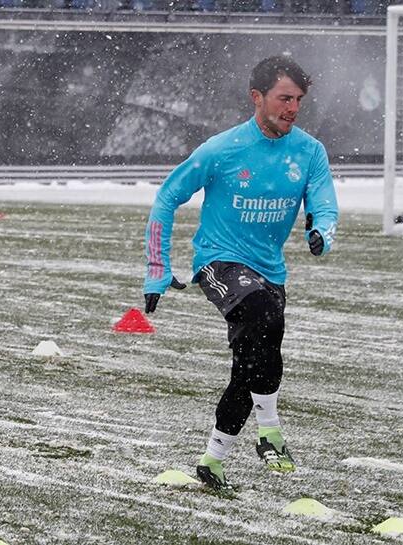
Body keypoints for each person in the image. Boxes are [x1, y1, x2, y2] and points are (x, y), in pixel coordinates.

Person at [142, 56, 338, 492]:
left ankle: (213, 460)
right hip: (219, 262)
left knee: (249, 367)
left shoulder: (309, 151)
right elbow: (167, 198)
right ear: (257, 97)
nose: (293, 108)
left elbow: (324, 202)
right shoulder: (221, 149)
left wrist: (322, 229)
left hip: (271, 270)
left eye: (299, 100)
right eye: (284, 98)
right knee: (265, 315)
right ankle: (270, 435)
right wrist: (157, 268)